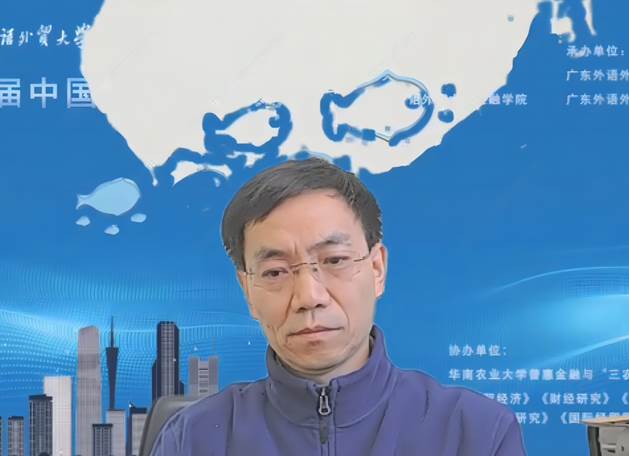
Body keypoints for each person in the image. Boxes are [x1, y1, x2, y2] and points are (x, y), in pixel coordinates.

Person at [150, 157, 526, 455]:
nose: (309, 297)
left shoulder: (475, 433)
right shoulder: (193, 439)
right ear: (248, 289)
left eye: (334, 261)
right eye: (276, 272)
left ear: (377, 269)